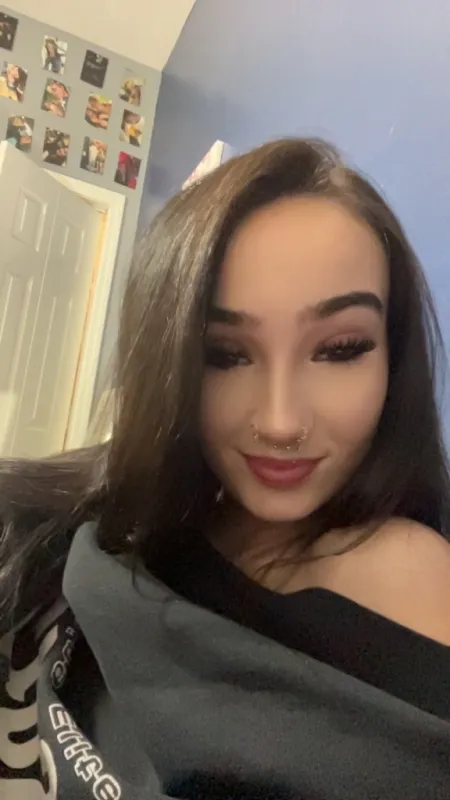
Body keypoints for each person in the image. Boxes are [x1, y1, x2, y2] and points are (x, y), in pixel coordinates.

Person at [1, 138, 450, 799]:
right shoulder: (68, 520)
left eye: (340, 349)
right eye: (225, 355)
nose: (280, 422)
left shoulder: (417, 589)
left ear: (394, 357)